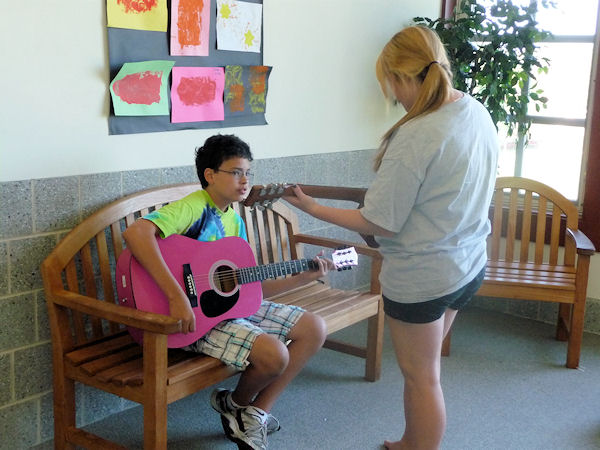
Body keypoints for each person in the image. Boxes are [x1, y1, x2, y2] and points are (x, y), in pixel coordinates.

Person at [283, 26, 498, 450]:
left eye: (392, 85)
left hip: (425, 277)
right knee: (428, 370)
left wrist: (311, 208)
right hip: (467, 264)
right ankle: (411, 442)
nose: (394, 96)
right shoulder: (475, 110)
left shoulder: (417, 134)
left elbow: (379, 222)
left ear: (402, 76)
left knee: (422, 377)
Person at [122, 134, 331, 450]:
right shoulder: (193, 207)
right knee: (275, 355)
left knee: (314, 328)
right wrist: (177, 297)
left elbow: (248, 287)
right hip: (191, 320)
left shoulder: (234, 222)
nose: (245, 181)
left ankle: (249, 410)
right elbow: (136, 233)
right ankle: (238, 408)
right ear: (210, 175)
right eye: (235, 172)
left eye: (248, 172)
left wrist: (303, 278)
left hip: (226, 310)